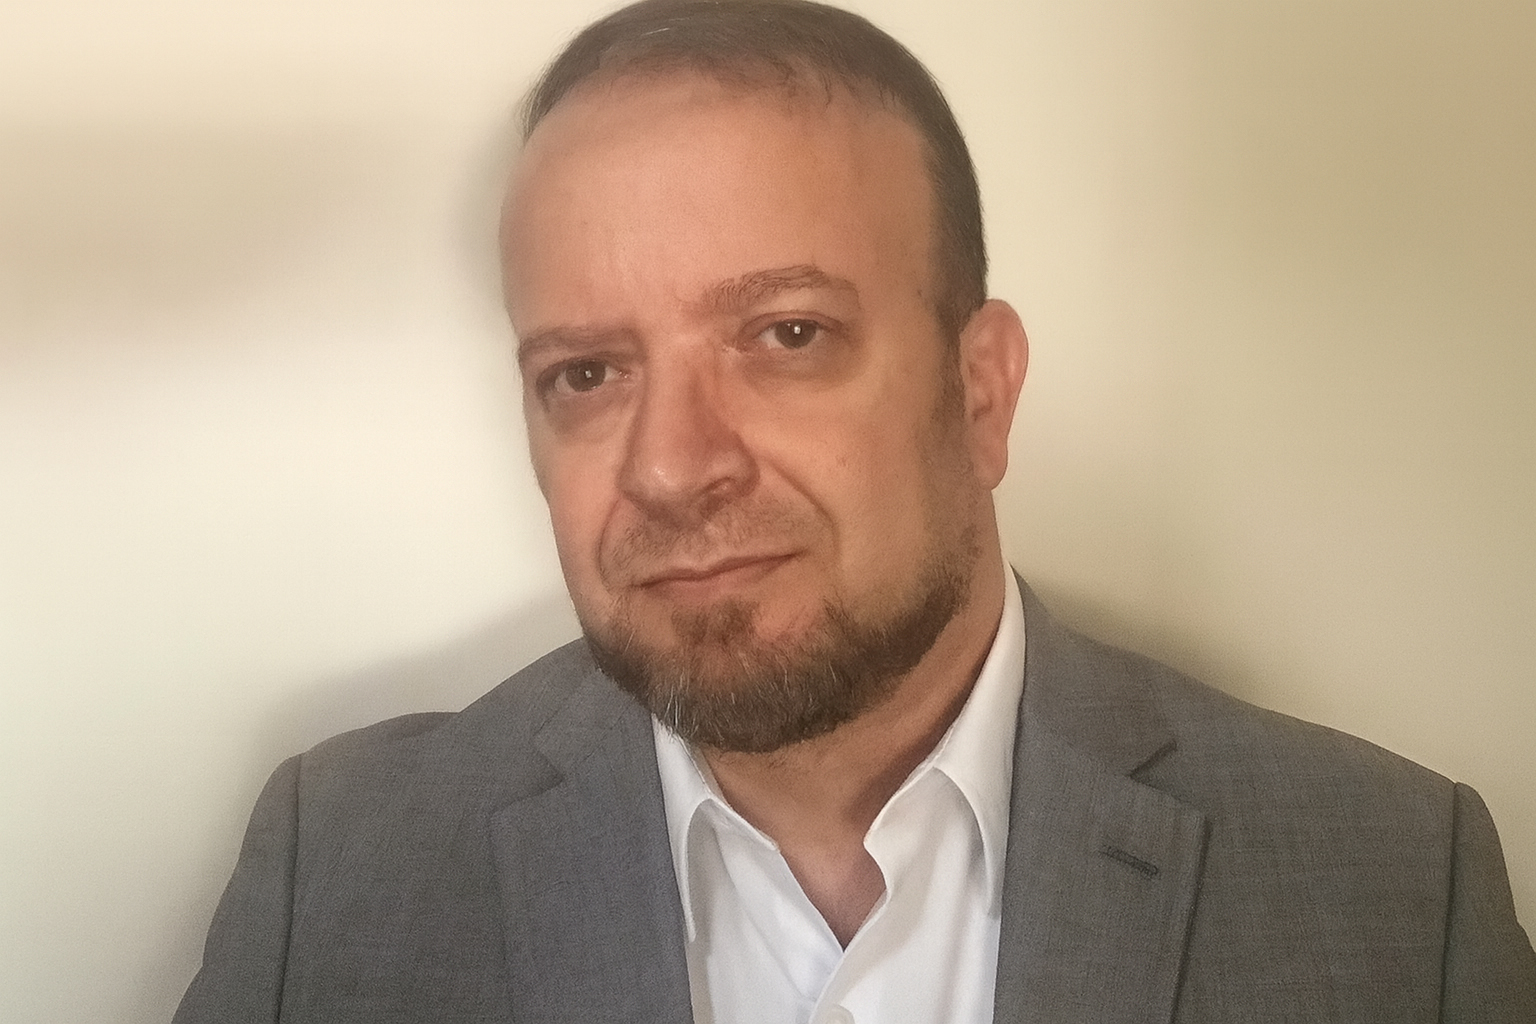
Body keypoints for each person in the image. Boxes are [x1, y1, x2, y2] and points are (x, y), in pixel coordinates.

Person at [173, 1, 1536, 1021]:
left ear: (981, 391)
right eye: (586, 374)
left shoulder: (1393, 893)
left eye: (787, 335)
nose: (671, 468)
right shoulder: (339, 871)